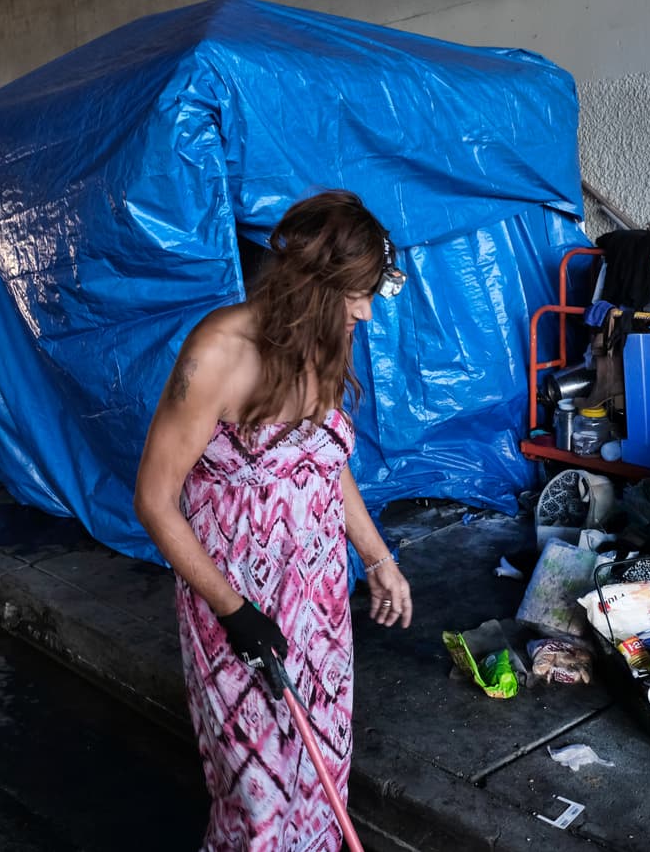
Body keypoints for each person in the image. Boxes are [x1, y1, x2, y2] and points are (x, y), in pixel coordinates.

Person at [134, 189, 413, 852]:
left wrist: (377, 558)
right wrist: (234, 612)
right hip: (240, 612)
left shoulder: (320, 345)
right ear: (315, 286)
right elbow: (153, 499)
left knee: (322, 780)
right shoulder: (217, 352)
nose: (368, 311)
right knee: (258, 798)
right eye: (357, 294)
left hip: (319, 609)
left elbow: (323, 461)